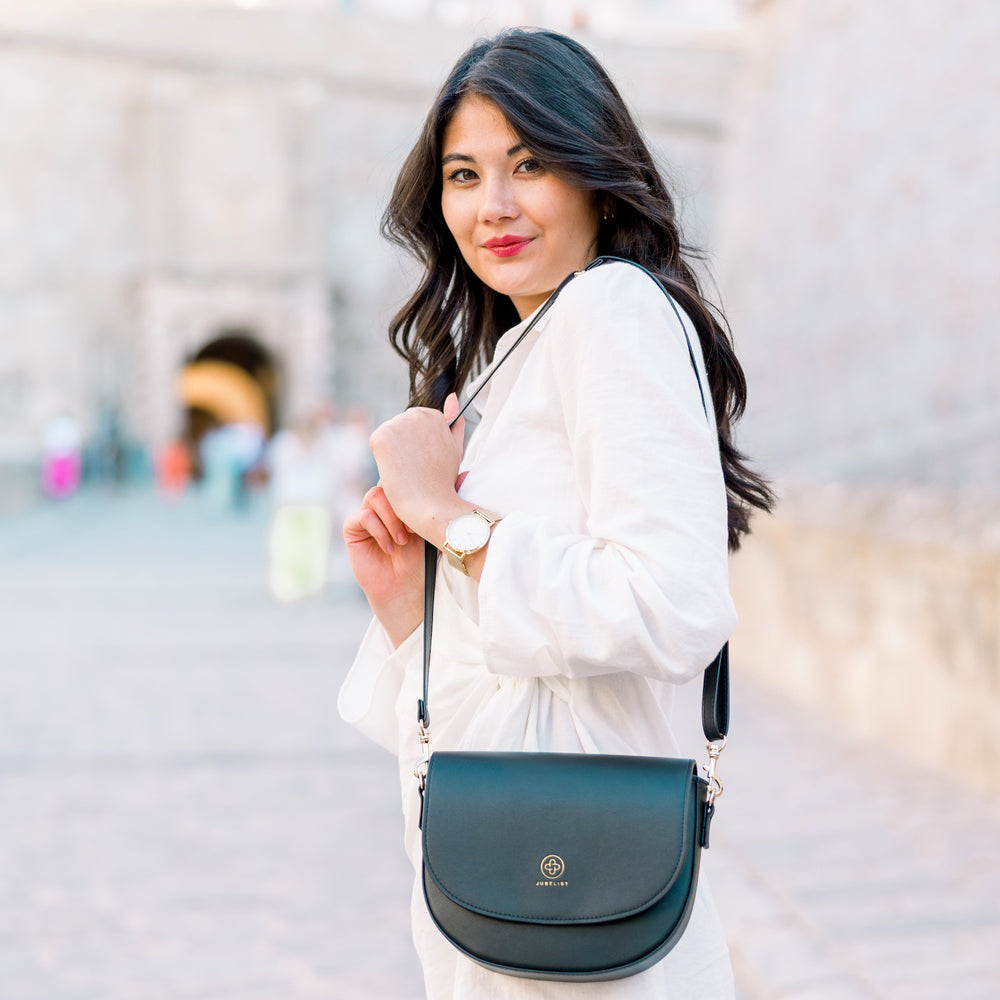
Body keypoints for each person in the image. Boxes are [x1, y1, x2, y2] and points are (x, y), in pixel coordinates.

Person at [337, 28, 773, 999]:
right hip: (511, 890)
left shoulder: (610, 309)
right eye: (462, 173)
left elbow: (672, 603)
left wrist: (447, 516)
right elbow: (499, 678)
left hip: (580, 900)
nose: (491, 205)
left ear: (592, 171)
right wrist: (413, 604)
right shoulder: (517, 349)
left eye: (526, 164)